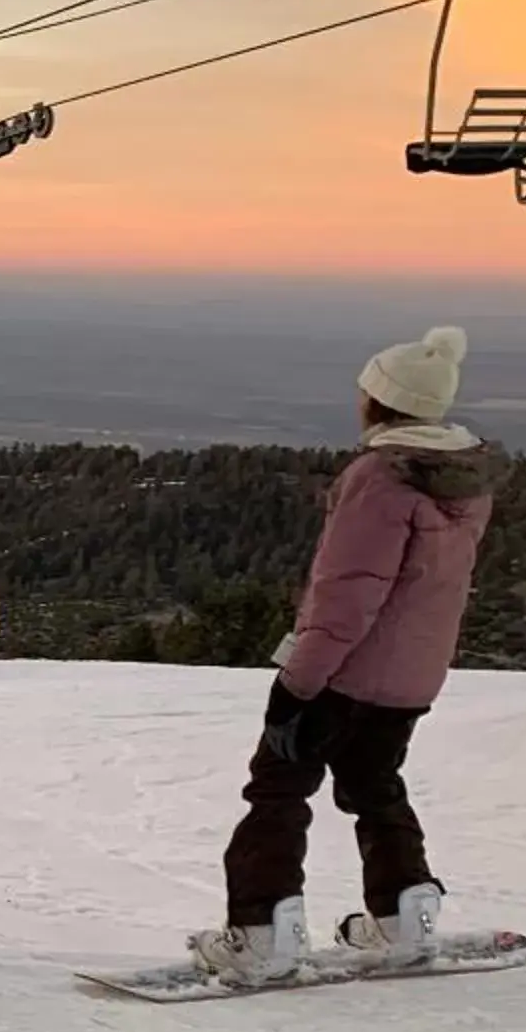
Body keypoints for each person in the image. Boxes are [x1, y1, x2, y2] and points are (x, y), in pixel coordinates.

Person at [192, 325, 497, 984]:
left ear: (382, 402)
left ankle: (262, 932)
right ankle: (402, 919)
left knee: (278, 785)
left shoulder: (380, 479)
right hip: (414, 679)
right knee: (375, 787)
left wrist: (297, 685)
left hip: (346, 675)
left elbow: (345, 596)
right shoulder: (465, 481)